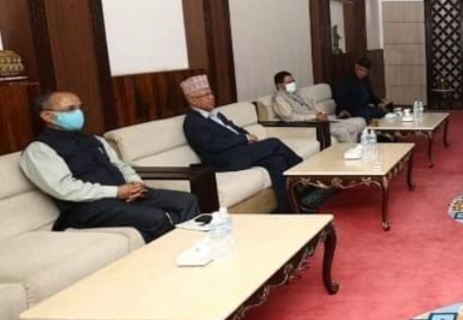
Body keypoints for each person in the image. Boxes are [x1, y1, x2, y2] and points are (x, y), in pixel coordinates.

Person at [19, 91, 200, 242]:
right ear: (47, 116)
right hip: (88, 208)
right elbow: (65, 189)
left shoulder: (94, 139)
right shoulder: (39, 149)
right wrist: (116, 192)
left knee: (186, 200)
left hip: (125, 195)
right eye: (71, 109)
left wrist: (135, 183)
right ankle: (169, 258)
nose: (78, 113)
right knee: (155, 217)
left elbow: (120, 165)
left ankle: (193, 247)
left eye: (80, 108)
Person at [180, 75, 303, 213]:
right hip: (225, 160)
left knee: (277, 161)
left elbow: (234, 128)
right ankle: (304, 175)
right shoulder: (193, 122)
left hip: (240, 151)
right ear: (193, 100)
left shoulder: (215, 114)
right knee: (274, 143)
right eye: (206, 95)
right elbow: (213, 145)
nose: (211, 97)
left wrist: (247, 136)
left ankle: (288, 208)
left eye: (211, 93)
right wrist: (244, 138)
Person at [272, 71, 364, 143]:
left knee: (353, 127)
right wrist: (314, 116)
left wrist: (321, 113)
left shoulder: (298, 92)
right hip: (307, 126)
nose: (293, 84)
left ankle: (352, 151)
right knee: (342, 131)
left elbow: (313, 104)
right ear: (279, 85)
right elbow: (290, 117)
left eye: (293, 81)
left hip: (318, 120)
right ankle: (350, 152)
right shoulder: (279, 99)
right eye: (289, 82)